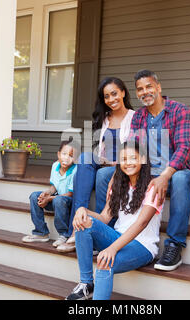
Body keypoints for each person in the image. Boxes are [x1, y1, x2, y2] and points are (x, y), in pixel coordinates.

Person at [66, 141, 162, 300]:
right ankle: (87, 283)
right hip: (117, 237)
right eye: (124, 159)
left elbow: (141, 224)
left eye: (133, 158)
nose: (128, 163)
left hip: (142, 246)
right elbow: (104, 218)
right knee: (83, 221)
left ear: (143, 159)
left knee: (105, 262)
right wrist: (82, 210)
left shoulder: (154, 187)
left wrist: (112, 249)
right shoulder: (118, 185)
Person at [129, 69, 190, 271]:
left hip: (179, 173)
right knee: (104, 175)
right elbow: (133, 151)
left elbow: (184, 148)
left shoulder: (180, 110)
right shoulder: (138, 117)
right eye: (140, 89)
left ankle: (174, 245)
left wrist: (164, 176)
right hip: (149, 176)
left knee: (179, 179)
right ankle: (110, 232)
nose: (145, 92)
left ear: (158, 87)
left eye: (149, 86)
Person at [56, 77, 135, 253]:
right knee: (85, 158)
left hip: (123, 167)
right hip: (105, 162)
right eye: (106, 96)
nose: (111, 99)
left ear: (123, 92)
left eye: (114, 94)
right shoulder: (104, 118)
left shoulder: (134, 118)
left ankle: (98, 233)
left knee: (101, 175)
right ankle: (76, 230)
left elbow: (134, 151)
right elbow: (100, 150)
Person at [22, 139, 76, 248]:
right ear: (58, 154)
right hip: (56, 200)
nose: (66, 158)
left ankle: (64, 235)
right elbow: (54, 187)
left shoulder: (76, 169)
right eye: (64, 154)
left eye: (71, 156)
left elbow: (70, 194)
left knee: (58, 200)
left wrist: (49, 199)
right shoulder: (55, 165)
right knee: (34, 196)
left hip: (68, 203)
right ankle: (41, 232)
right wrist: (47, 193)